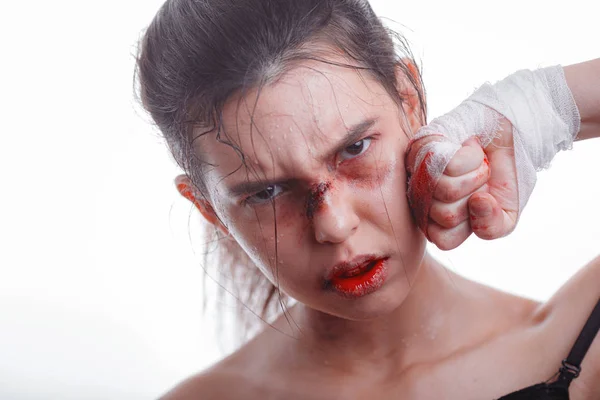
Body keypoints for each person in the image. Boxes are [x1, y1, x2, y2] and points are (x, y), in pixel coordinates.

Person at [135, 0, 600, 398]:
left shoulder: (580, 343)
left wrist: (543, 106)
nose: (334, 225)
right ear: (210, 209)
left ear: (409, 101)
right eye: (266, 192)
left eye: (354, 149)